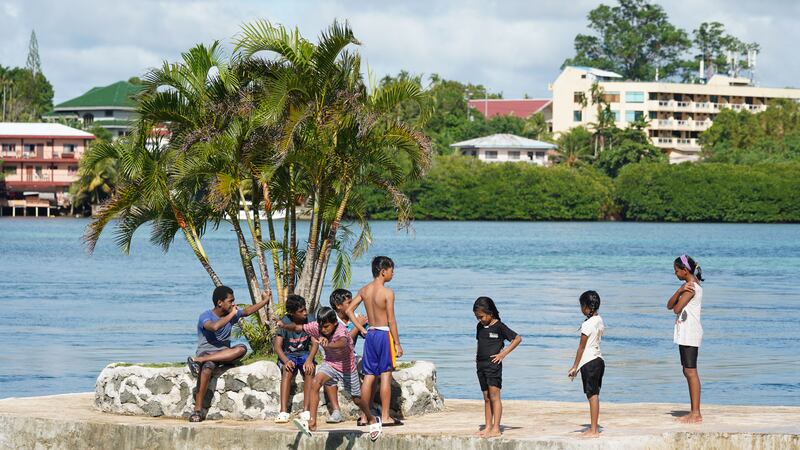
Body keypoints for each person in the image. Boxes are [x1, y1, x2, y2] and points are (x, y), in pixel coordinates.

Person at [277, 306, 380, 441]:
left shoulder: (341, 331)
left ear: (335, 323)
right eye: (321, 327)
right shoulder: (317, 327)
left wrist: (327, 345)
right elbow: (298, 327)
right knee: (315, 383)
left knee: (357, 399)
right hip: (330, 363)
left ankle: (372, 418)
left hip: (347, 367)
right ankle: (312, 422)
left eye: (326, 327)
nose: (323, 330)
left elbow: (342, 343)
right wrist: (284, 325)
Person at [186, 286, 269, 423]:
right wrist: (232, 315)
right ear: (220, 303)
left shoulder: (231, 314)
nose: (233, 304)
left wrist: (265, 301)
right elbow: (214, 327)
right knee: (206, 368)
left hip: (223, 354)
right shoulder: (205, 316)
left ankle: (199, 360)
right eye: (230, 301)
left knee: (241, 348)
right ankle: (198, 410)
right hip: (207, 351)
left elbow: (247, 311)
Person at [346, 256, 402, 437]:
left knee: (369, 376)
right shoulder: (387, 293)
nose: (392, 273)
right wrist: (398, 343)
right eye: (391, 270)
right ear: (383, 271)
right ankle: (385, 416)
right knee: (385, 375)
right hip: (384, 334)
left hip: (370, 335)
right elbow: (392, 320)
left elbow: (348, 310)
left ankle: (364, 415)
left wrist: (361, 328)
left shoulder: (365, 290)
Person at [473, 296, 522, 438]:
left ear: (490, 312)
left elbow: (517, 338)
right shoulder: (479, 327)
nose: (480, 320)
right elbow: (479, 342)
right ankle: (487, 426)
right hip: (480, 365)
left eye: (481, 316)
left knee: (494, 396)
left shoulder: (499, 326)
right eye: (477, 317)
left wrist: (503, 354)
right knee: (486, 397)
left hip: (493, 366)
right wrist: (476, 356)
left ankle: (496, 428)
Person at [667, 254, 704, 424]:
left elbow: (676, 309)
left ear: (684, 270)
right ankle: (694, 411)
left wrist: (681, 292)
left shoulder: (691, 288)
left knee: (691, 371)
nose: (675, 274)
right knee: (687, 370)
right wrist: (679, 290)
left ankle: (696, 413)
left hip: (690, 333)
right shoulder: (686, 287)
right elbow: (669, 305)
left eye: (676, 271)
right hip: (686, 332)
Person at [273, 294, 319, 424]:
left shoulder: (310, 320)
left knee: (310, 370)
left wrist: (310, 359)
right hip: (289, 354)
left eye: (305, 309)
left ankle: (306, 410)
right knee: (287, 371)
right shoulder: (286, 321)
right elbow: (277, 346)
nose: (305, 313)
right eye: (301, 311)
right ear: (292, 313)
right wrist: (286, 361)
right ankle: (283, 411)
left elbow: (315, 343)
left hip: (304, 353)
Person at [324, 288, 368, 424]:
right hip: (334, 357)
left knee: (370, 371)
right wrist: (358, 325)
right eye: (349, 303)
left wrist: (367, 323)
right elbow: (343, 341)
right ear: (338, 306)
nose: (352, 305)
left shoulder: (354, 317)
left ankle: (365, 412)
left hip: (352, 357)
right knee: (328, 376)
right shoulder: (332, 320)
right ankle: (336, 412)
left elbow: (366, 334)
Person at [567, 290, 606, 438]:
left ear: (586, 307)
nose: (580, 309)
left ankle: (594, 430)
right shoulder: (599, 320)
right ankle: (594, 427)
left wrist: (575, 367)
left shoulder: (587, 324)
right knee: (594, 394)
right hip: (599, 360)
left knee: (592, 395)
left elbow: (581, 347)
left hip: (589, 362)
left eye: (581, 305)